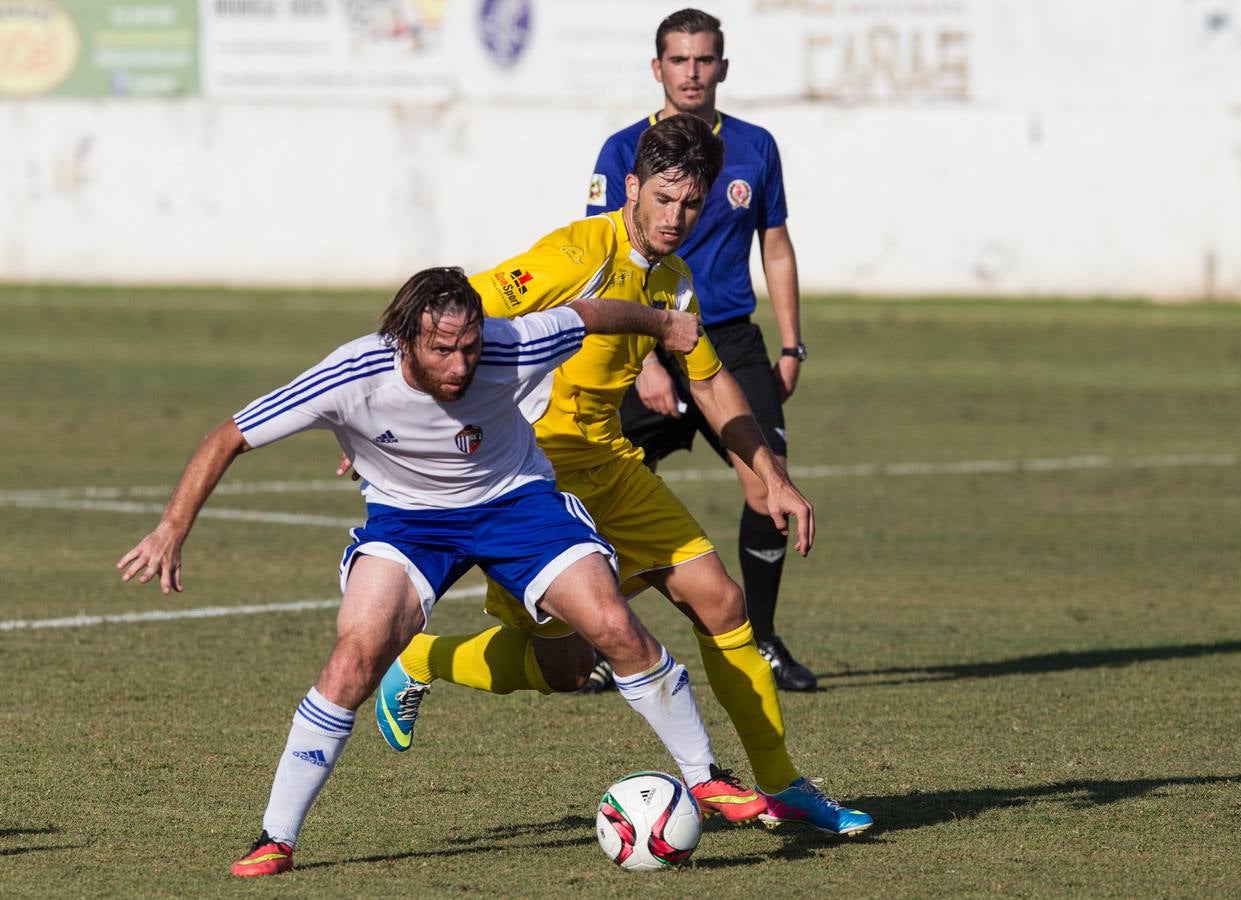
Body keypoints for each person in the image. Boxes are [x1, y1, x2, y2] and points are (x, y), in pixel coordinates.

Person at [116, 267, 765, 878]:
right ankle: (276, 837)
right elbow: (229, 435)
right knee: (353, 658)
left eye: (470, 347)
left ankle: (703, 774)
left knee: (612, 628)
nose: (460, 365)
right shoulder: (351, 374)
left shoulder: (508, 345)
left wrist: (662, 325)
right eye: (443, 350)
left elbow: (590, 313)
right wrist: (172, 529)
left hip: (516, 502)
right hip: (408, 521)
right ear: (405, 339)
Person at [382, 115, 871, 835]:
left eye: (692, 205)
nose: (677, 219)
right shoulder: (574, 253)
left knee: (722, 602)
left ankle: (782, 785)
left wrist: (770, 472)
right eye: (664, 200)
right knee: (567, 669)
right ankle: (421, 657)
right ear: (633, 188)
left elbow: (709, 385)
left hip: (611, 466)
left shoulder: (674, 283)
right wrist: (390, 403)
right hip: (534, 481)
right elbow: (452, 309)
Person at [584, 8, 817, 692]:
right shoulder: (622, 149)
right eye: (679, 60)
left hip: (731, 340)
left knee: (767, 480)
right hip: (642, 336)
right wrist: (649, 357)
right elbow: (604, 262)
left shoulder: (754, 146)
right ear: (657, 68)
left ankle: (764, 638)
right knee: (594, 483)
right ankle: (593, 637)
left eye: (704, 59)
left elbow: (774, 244)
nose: (692, 72)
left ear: (722, 66)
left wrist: (793, 342)